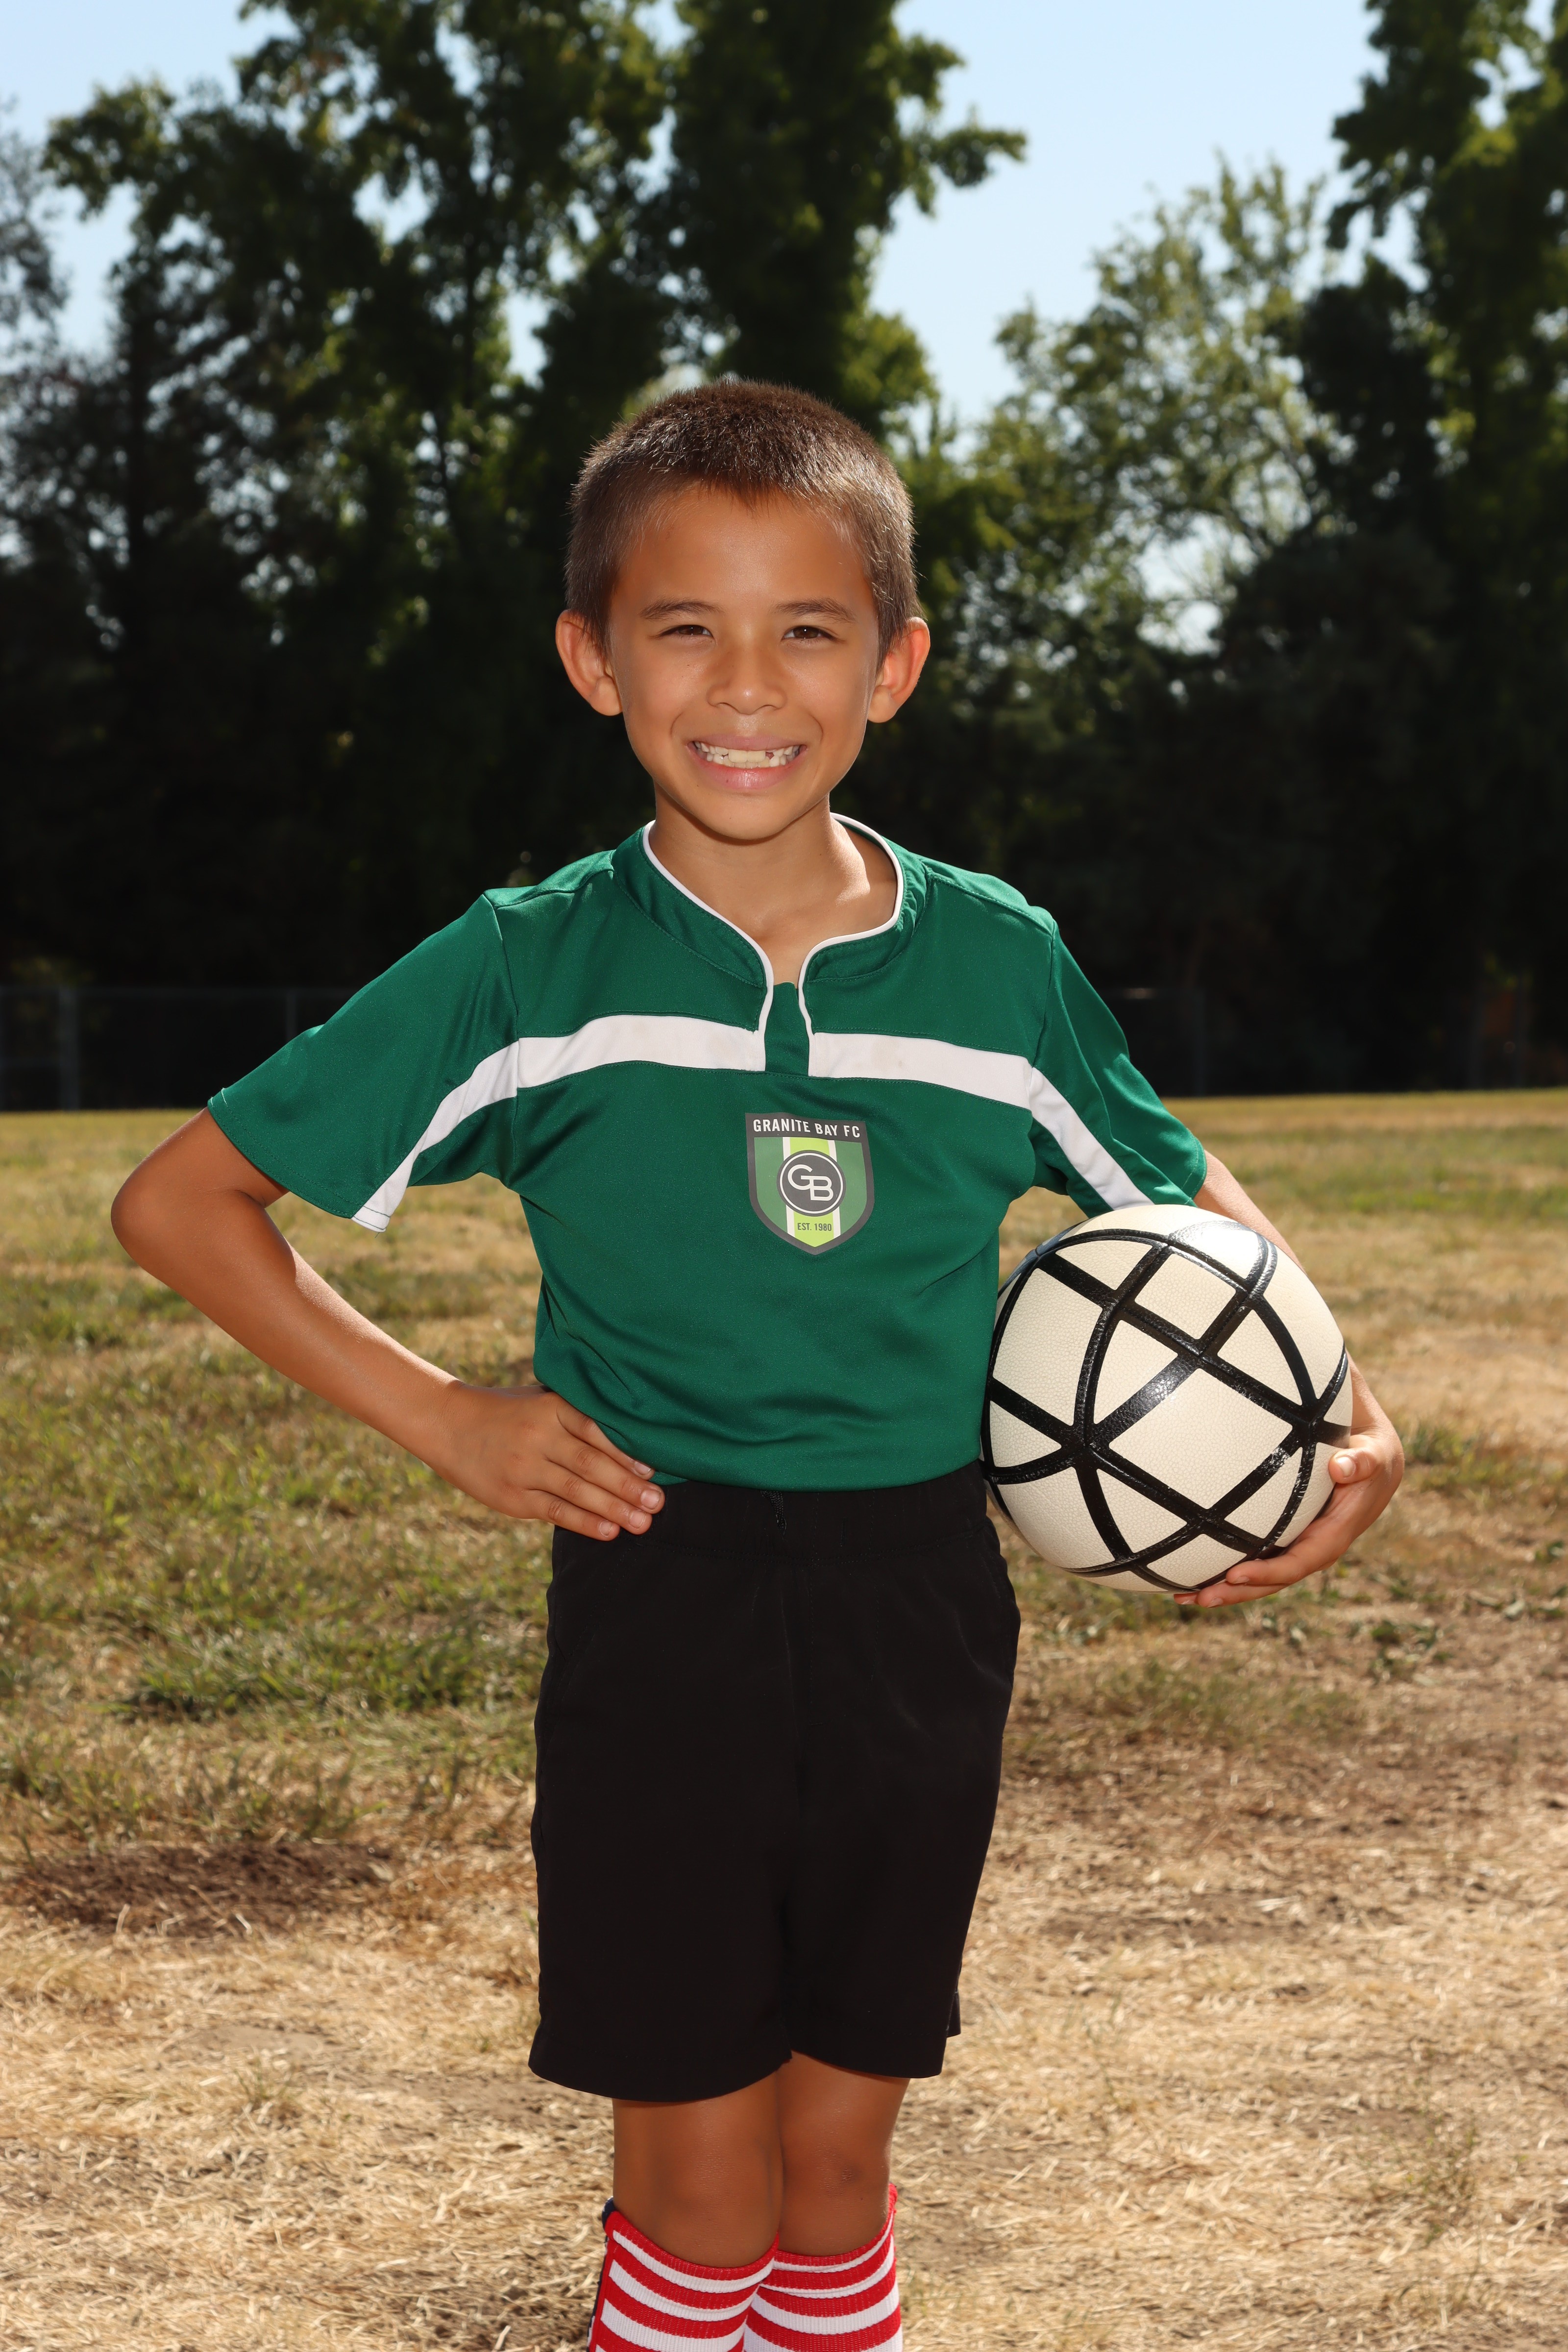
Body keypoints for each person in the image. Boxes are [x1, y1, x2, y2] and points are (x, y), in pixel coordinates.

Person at [112, 380, 1403, 2350]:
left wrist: (1344, 1407)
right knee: (700, 2183)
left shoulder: (993, 967)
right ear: (592, 660)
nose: (744, 685)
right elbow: (182, 1204)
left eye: (805, 629)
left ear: (891, 665)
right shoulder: (532, 967)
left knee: (838, 2162)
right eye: (683, 628)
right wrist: (447, 1419)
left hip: (920, 1602)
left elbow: (1176, 1196)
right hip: (667, 1594)